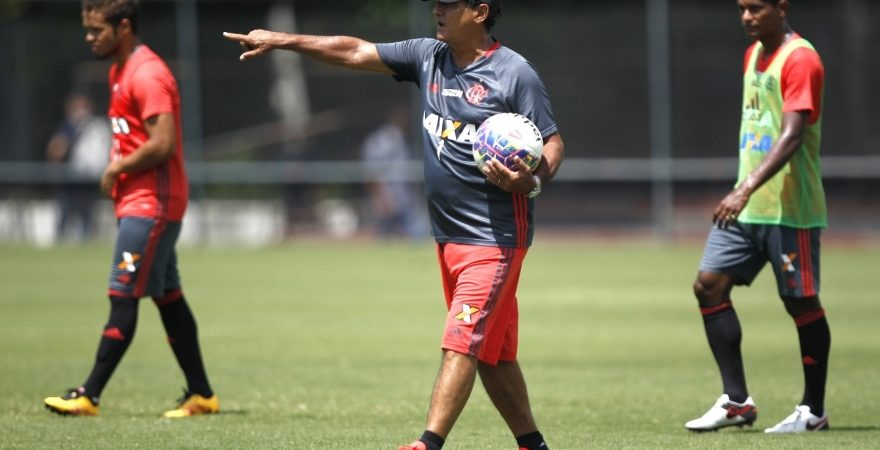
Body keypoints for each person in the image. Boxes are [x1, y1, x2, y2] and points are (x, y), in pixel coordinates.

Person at [224, 0, 564, 448]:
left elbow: (553, 142)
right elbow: (355, 51)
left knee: (461, 340)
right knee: (492, 354)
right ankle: (533, 444)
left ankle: (428, 442)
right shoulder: (429, 56)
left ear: (479, 12)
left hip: (494, 238)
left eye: (447, 4)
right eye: (434, 4)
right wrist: (284, 41)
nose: (436, 10)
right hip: (448, 238)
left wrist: (531, 179)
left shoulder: (514, 73)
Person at [43, 0, 218, 418]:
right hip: (139, 201)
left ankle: (90, 394)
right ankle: (202, 394)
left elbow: (163, 144)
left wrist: (116, 167)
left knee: (123, 293)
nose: (89, 38)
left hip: (152, 204)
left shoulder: (148, 73)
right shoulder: (118, 70)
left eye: (96, 31)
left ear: (123, 27)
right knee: (168, 296)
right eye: (87, 30)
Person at [685, 0, 829, 434]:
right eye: (742, 8)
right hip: (747, 208)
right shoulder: (754, 54)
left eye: (757, 7)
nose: (747, 16)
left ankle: (813, 411)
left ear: (781, 7)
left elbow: (791, 136)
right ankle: (736, 401)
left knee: (800, 302)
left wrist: (744, 188)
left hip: (789, 209)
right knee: (708, 287)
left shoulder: (800, 57)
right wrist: (744, 191)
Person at [45, 92, 111, 242]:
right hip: (82, 179)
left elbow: (56, 149)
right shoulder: (94, 126)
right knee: (78, 218)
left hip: (79, 180)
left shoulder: (85, 126)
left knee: (76, 218)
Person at [360, 103, 423, 240]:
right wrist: (380, 197)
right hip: (388, 196)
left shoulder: (402, 137)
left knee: (416, 237)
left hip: (406, 199)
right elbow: (371, 171)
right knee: (385, 238)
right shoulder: (381, 140)